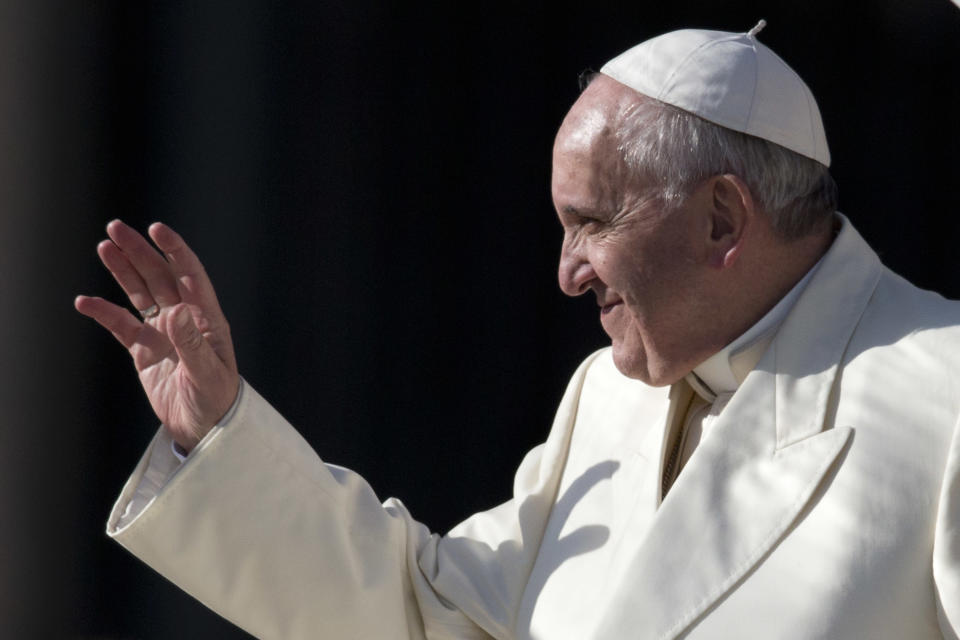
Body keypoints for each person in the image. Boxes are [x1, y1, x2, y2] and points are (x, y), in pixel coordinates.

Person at [76, 24, 960, 639]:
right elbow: (428, 620)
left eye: (593, 224)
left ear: (722, 222)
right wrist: (221, 429)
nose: (568, 273)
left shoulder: (946, 395)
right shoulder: (607, 396)